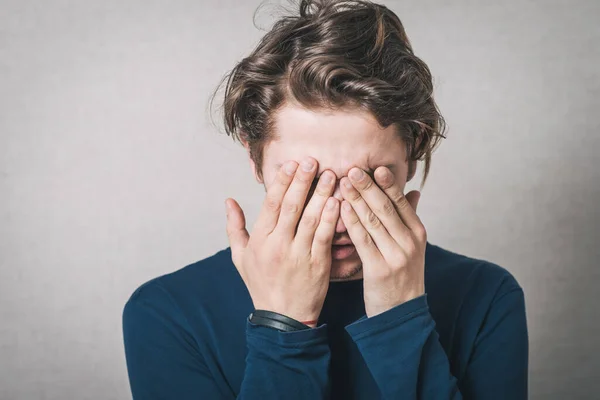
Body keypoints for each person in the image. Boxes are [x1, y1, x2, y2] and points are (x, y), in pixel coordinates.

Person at [122, 0, 529, 398]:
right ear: (255, 159)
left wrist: (401, 320)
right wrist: (284, 329)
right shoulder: (167, 312)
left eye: (366, 179)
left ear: (413, 153)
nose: (337, 217)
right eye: (309, 179)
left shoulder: (486, 296)